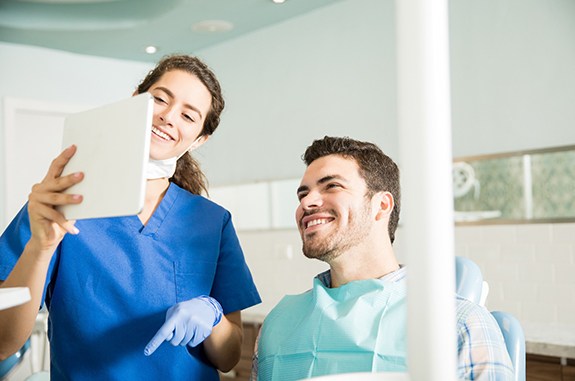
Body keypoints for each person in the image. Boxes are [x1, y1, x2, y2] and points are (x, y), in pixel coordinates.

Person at [0, 54, 261, 380]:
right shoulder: (61, 201)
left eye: (188, 116)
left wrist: (213, 318)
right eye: (160, 99)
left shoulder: (212, 222)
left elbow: (229, 356)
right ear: (136, 99)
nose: (168, 117)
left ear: (199, 140)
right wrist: (40, 246)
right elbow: (2, 344)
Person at [252, 136, 513, 380]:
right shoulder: (277, 326)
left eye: (332, 186)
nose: (307, 202)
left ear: (382, 205)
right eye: (302, 194)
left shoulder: (459, 323)